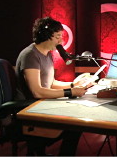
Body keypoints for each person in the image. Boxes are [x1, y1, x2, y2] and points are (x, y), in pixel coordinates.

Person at [15, 17, 94, 155]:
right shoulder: (30, 55)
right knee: (74, 127)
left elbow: (50, 84)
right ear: (45, 35)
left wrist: (73, 84)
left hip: (41, 103)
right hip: (30, 107)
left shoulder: (47, 54)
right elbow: (37, 92)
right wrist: (71, 92)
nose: (61, 41)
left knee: (76, 122)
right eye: (58, 36)